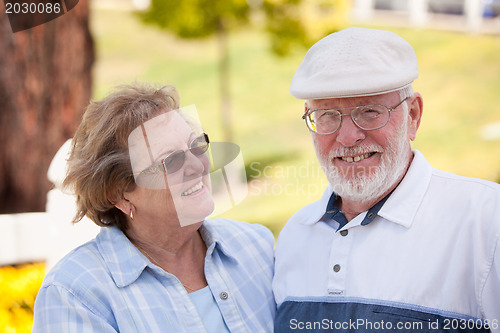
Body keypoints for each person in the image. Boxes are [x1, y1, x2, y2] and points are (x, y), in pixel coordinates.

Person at [273, 27, 500, 332]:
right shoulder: (294, 237)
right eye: (327, 115)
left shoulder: (485, 222)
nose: (348, 137)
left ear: (413, 115)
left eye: (369, 111)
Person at [33, 83, 275, 332]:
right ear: (118, 193)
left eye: (196, 145)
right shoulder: (75, 295)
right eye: (170, 160)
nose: (197, 165)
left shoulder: (256, 248)